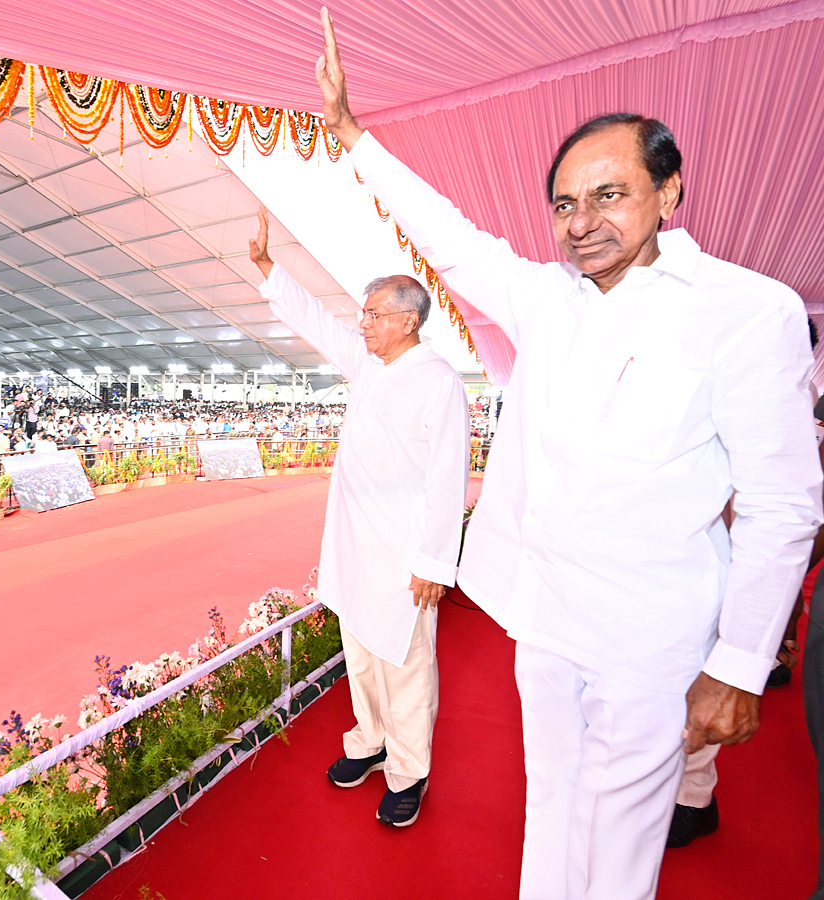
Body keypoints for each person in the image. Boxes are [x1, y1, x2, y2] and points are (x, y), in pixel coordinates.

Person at [315, 8, 821, 897]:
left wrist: (739, 664)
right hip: (544, 620)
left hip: (653, 635)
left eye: (609, 194)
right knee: (549, 811)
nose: (582, 221)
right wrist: (355, 138)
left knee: (620, 841)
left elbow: (783, 505)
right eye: (564, 203)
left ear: (668, 193)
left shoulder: (748, 309)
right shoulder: (548, 299)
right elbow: (450, 237)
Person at [250, 206, 469, 826]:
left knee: (405, 666)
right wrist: (270, 269)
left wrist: (433, 561)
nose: (363, 324)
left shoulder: (438, 382)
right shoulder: (370, 366)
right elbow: (316, 321)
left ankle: (409, 772)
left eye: (373, 314)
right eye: (364, 314)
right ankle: (368, 744)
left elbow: (446, 479)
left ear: (407, 319)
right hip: (355, 544)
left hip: (404, 555)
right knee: (363, 656)